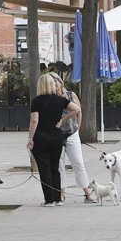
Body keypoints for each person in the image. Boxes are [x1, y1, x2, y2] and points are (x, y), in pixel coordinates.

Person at [27, 73, 80, 206]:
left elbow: (34, 120)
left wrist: (30, 138)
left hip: (41, 137)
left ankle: (49, 200)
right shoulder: (60, 100)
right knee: (55, 168)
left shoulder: (36, 101)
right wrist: (63, 120)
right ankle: (58, 198)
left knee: (44, 168)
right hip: (57, 136)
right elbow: (77, 109)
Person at [52, 74, 96, 203]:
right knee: (59, 165)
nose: (55, 85)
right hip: (57, 134)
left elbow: (79, 111)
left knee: (78, 163)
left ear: (61, 82)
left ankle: (87, 192)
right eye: (52, 83)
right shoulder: (51, 98)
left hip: (71, 133)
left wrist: (78, 129)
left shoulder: (71, 95)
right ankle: (61, 193)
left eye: (56, 82)